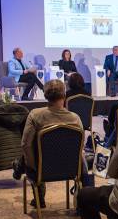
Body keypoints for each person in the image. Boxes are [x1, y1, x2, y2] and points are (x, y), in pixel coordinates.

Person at [13, 79, 83, 208]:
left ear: (45, 95)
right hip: (71, 168)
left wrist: (33, 166)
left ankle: (35, 191)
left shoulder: (35, 115)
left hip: (42, 168)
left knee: (31, 150)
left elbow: (25, 145)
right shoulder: (75, 118)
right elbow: (80, 148)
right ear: (64, 95)